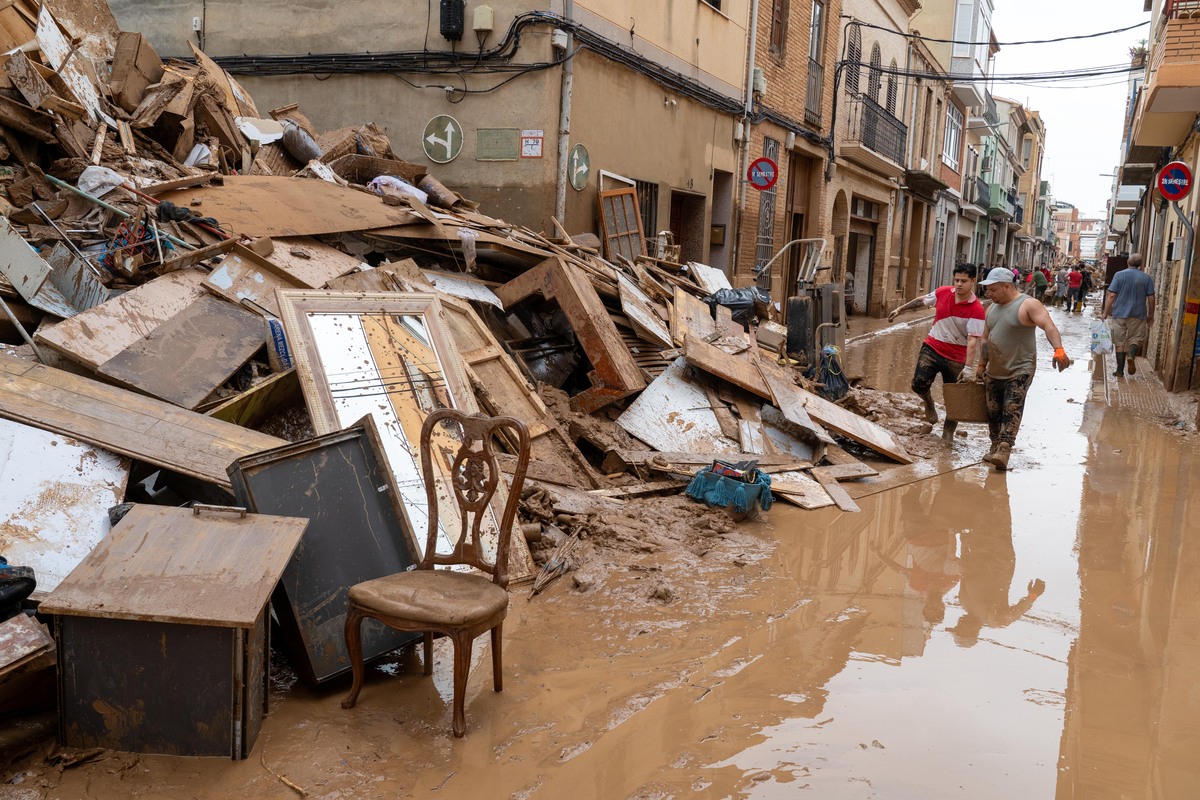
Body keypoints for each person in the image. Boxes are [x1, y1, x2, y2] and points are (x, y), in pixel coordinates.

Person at [964, 267, 1071, 470]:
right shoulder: (991, 308)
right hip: (995, 369)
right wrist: (981, 364)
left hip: (1020, 367)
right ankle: (995, 446)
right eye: (988, 290)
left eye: (993, 290)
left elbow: (1048, 326)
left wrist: (1058, 349)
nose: (989, 294)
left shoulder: (1028, 304)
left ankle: (1004, 450)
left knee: (1012, 407)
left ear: (1007, 286)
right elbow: (985, 339)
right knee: (993, 411)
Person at [887, 264, 986, 440]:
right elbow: (922, 300)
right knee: (918, 383)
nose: (959, 284)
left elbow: (973, 341)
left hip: (956, 357)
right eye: (956, 280)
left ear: (973, 281)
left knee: (955, 400)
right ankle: (929, 403)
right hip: (933, 347)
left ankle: (948, 435)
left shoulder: (977, 310)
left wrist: (969, 368)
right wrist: (900, 309)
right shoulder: (943, 292)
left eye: (964, 281)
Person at [1101, 252, 1155, 378]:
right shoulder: (1146, 278)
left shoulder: (1119, 275)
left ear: (1128, 262)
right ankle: (1131, 355)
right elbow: (1151, 298)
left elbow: (1112, 295)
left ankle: (1119, 371)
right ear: (1140, 265)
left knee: (1119, 342)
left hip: (1119, 314)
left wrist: (1105, 312)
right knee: (1135, 338)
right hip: (1138, 314)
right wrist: (1151, 315)